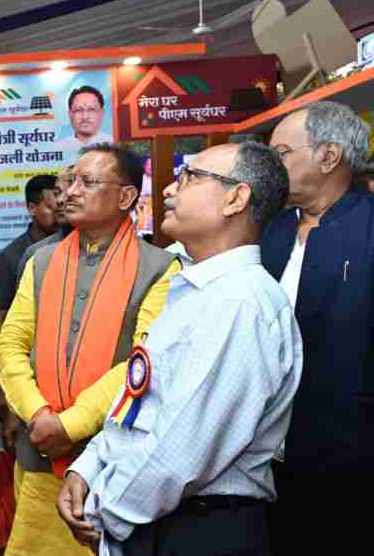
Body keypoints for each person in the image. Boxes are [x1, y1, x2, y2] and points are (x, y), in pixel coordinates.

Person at [58, 142, 302, 556]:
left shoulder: (239, 302)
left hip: (199, 530)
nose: (170, 189)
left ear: (235, 199)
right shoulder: (191, 287)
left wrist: (102, 510)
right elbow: (139, 402)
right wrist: (86, 468)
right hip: (161, 520)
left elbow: (180, 450)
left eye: (190, 178)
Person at [0, 143, 180, 556]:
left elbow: (143, 362)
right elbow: (11, 342)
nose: (71, 192)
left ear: (126, 197)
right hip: (38, 452)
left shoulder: (161, 268)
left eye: (88, 182)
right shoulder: (41, 261)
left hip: (112, 459)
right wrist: (39, 415)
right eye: (71, 181)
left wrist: (70, 425)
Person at [262, 101, 373, 556]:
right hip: (265, 458)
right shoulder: (269, 229)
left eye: (281, 154)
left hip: (350, 461)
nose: (271, 168)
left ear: (328, 157)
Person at [0, 175, 59, 422]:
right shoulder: (11, 257)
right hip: (25, 373)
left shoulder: (72, 248)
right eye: (51, 206)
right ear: (32, 208)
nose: (59, 210)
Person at [54, 86, 114, 158]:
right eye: (78, 110)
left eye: (91, 110)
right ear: (70, 114)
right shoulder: (57, 149)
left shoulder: (114, 145)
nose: (85, 117)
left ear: (102, 113)